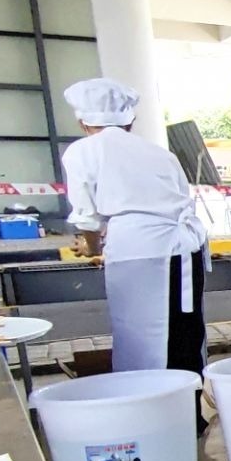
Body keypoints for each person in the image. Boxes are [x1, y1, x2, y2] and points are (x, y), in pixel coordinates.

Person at [59, 79, 210, 378]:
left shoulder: (82, 151)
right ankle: (191, 412)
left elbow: (87, 216)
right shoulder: (160, 154)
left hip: (137, 254)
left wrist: (92, 246)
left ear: (82, 121)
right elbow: (170, 203)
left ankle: (150, 408)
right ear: (131, 121)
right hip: (185, 248)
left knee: (140, 340)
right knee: (184, 337)